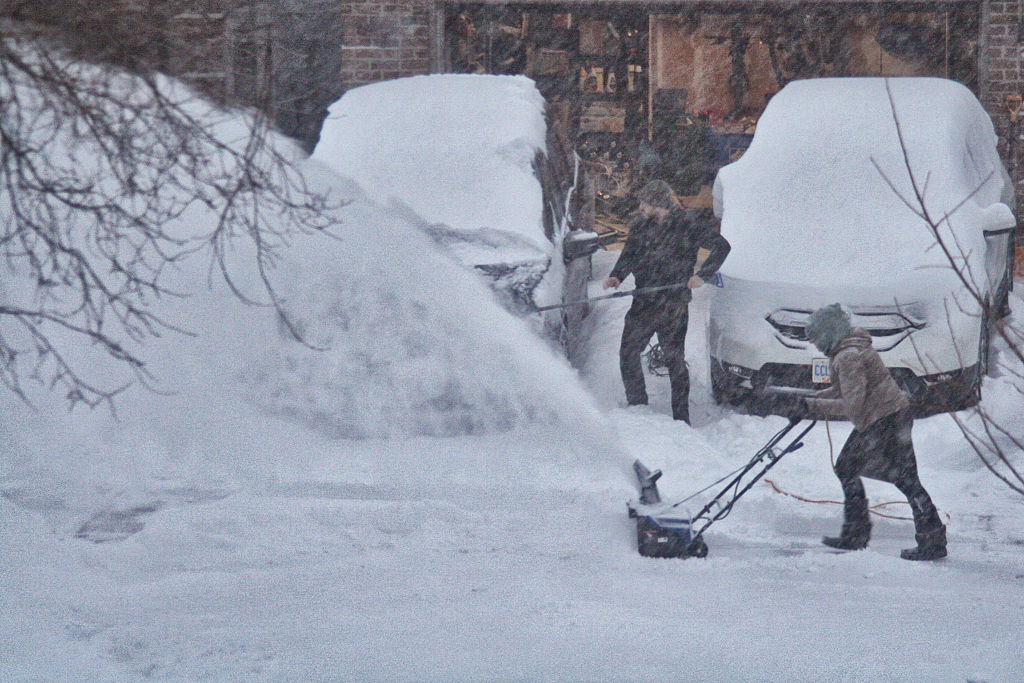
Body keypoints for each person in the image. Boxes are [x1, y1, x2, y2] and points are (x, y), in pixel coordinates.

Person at [799, 303, 947, 561]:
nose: (813, 343)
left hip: (884, 419)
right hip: (891, 416)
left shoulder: (848, 357)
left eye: (815, 337)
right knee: (904, 478)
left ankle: (857, 534)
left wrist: (809, 404)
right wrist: (809, 400)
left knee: (850, 467)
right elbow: (844, 391)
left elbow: (853, 407)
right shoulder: (848, 350)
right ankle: (931, 538)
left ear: (828, 332)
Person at [603, 180, 730, 424]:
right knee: (628, 354)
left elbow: (722, 247)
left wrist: (701, 276)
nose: (640, 207)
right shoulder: (640, 225)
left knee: (675, 361)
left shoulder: (688, 225)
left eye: (645, 203)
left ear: (658, 204)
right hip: (644, 301)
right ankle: (637, 406)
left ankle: (681, 418)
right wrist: (617, 276)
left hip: (674, 304)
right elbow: (629, 253)